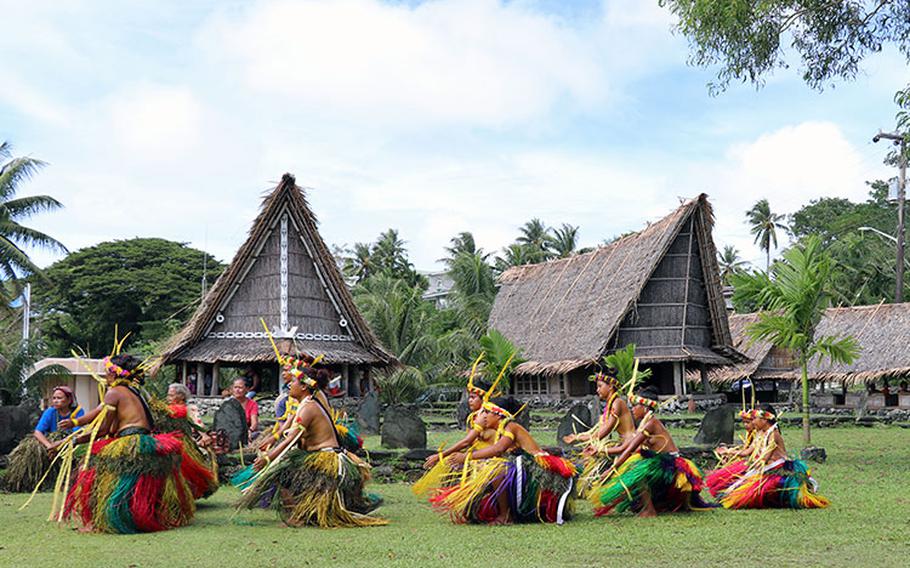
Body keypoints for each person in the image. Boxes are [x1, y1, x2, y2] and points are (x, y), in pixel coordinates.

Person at [236, 367, 386, 528]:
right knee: (286, 472)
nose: (288, 385)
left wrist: (268, 458)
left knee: (283, 474)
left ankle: (297, 517)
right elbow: (288, 432)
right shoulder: (304, 403)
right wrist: (273, 439)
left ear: (303, 387)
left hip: (325, 458)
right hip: (314, 454)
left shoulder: (308, 407)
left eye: (292, 381)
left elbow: (291, 440)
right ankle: (303, 512)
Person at [62, 354, 195, 533]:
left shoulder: (114, 392)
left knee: (93, 469)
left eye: (108, 372)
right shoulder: (132, 391)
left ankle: (101, 521)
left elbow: (102, 430)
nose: (104, 376)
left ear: (116, 374)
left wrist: (74, 440)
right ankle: (139, 518)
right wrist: (75, 423)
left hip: (130, 440)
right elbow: (98, 411)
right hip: (146, 439)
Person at [431, 396, 576, 525]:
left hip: (536, 467)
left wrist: (466, 457)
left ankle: (505, 515)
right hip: (521, 465)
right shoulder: (500, 429)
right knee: (482, 467)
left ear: (499, 414)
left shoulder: (510, 427)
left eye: (487, 412)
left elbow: (497, 450)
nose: (484, 416)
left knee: (497, 470)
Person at [589, 386, 711, 517]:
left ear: (645, 407)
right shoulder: (644, 423)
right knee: (636, 462)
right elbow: (626, 448)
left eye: (635, 406)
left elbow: (627, 449)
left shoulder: (651, 424)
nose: (632, 409)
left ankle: (649, 510)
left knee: (636, 469)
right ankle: (652, 505)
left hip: (672, 464)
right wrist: (601, 450)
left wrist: (611, 469)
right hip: (664, 462)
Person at [413, 356, 498, 498]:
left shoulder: (486, 416)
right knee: (451, 463)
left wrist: (441, 455)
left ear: (484, 399)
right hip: (476, 456)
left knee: (451, 461)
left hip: (490, 457)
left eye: (473, 397)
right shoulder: (473, 417)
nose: (469, 401)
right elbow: (468, 442)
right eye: (469, 397)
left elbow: (466, 442)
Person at [717, 404, 829, 509]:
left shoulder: (773, 434)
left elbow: (764, 458)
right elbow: (747, 452)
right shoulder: (760, 433)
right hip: (764, 467)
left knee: (745, 489)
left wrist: (751, 467)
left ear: (764, 419)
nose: (753, 421)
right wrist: (728, 452)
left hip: (777, 467)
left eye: (755, 418)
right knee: (738, 483)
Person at [562, 370, 636, 496]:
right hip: (623, 444)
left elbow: (601, 434)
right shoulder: (612, 404)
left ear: (611, 386)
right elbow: (599, 431)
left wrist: (578, 437)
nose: (597, 390)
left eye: (600, 386)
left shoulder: (617, 404)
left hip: (630, 446)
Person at [156, 382, 218, 500]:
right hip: (167, 442)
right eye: (168, 395)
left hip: (183, 443)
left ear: (181, 396)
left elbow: (197, 423)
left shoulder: (189, 409)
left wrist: (204, 435)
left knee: (186, 470)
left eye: (172, 395)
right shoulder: (164, 409)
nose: (169, 398)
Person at [705, 409, 757, 497]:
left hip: (758, 463)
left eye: (748, 422)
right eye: (744, 422)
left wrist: (729, 451)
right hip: (751, 461)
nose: (745, 425)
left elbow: (746, 453)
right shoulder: (750, 434)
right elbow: (745, 450)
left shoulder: (759, 434)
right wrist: (729, 452)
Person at [34, 386, 84, 452]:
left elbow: (77, 433)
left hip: (71, 445)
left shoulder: (77, 412)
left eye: (59, 398)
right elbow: (38, 432)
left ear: (69, 400)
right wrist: (49, 446)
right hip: (52, 443)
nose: (55, 401)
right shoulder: (50, 412)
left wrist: (61, 444)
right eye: (54, 398)